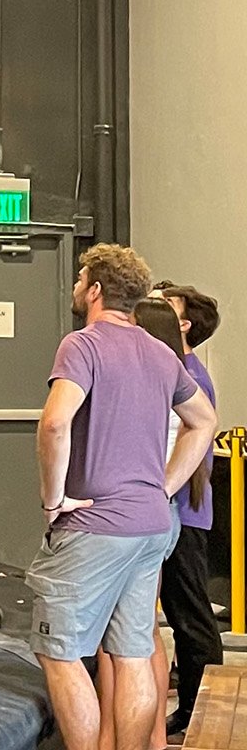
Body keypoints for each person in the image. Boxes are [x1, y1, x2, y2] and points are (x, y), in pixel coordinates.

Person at [28, 245, 216, 750]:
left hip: (95, 527)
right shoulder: (161, 353)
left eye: (80, 278)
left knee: (61, 653)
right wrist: (164, 487)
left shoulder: (82, 345)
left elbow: (54, 421)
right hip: (152, 527)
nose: (75, 287)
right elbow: (205, 423)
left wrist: (54, 500)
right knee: (134, 651)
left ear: (94, 290)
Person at [93, 297, 203, 750]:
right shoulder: (171, 379)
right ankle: (151, 736)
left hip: (137, 512)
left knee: (119, 640)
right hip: (159, 511)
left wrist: (161, 487)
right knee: (143, 633)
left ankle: (113, 737)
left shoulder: (158, 381)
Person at [155, 284, 222, 740]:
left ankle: (205, 713)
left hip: (184, 513)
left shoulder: (189, 377)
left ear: (183, 324)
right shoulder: (171, 368)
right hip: (171, 510)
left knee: (190, 616)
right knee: (179, 616)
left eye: (164, 306)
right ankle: (189, 709)